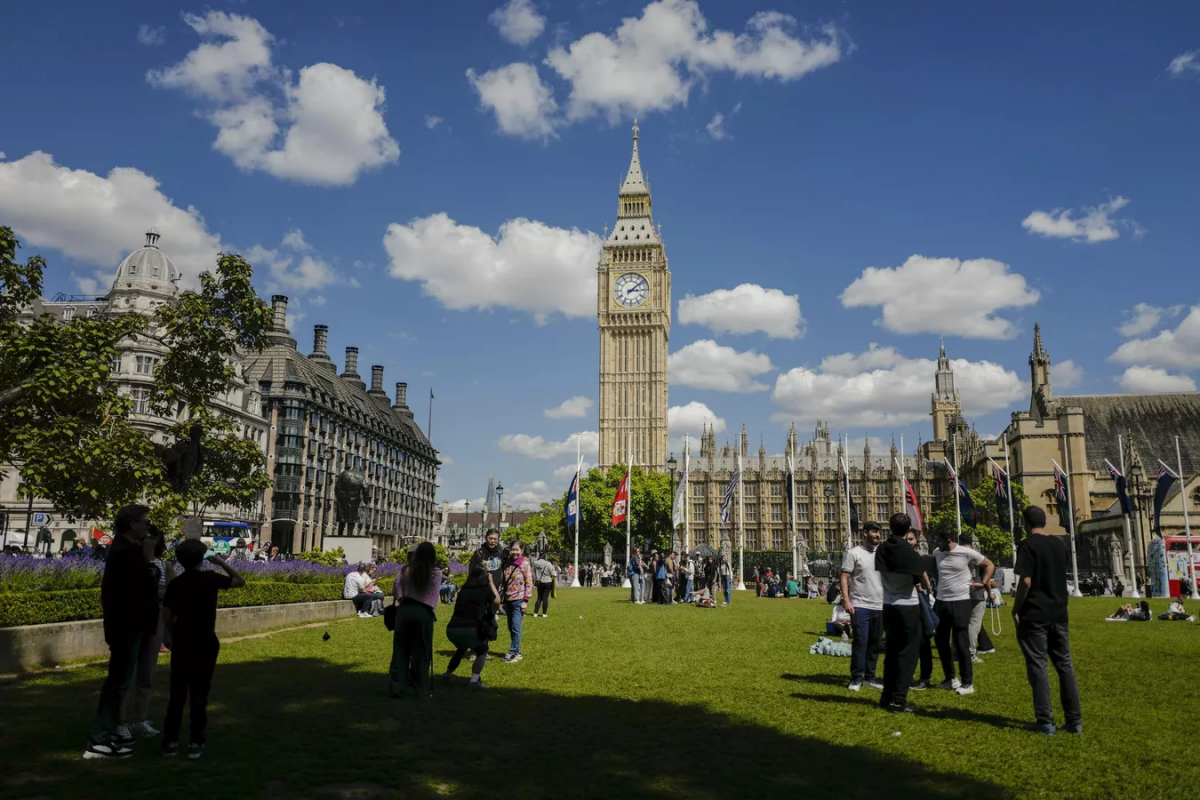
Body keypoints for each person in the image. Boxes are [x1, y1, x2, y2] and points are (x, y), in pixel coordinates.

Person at [84, 504, 159, 760]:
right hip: (126, 625)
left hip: (129, 625)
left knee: (120, 682)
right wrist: (149, 558)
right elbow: (144, 584)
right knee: (117, 683)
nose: (149, 527)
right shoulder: (126, 552)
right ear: (132, 525)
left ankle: (110, 733)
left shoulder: (126, 549)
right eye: (145, 522)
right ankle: (99, 740)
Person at [159, 539, 245, 759]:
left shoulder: (176, 584)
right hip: (205, 641)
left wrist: (172, 636)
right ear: (201, 558)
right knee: (200, 693)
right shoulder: (209, 578)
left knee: (177, 693)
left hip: (182, 642)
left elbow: (167, 615)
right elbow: (239, 580)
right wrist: (220, 562)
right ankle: (196, 742)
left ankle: (170, 741)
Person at [1012, 506, 1082, 735]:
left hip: (1035, 614)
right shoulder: (1058, 545)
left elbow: (1026, 582)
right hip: (1059, 612)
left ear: (1026, 523)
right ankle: (1074, 721)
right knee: (1065, 665)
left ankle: (1045, 721)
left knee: (1038, 666)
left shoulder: (1027, 545)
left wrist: (1016, 607)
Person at [875, 513, 930, 714]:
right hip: (908, 606)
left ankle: (886, 696)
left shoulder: (881, 549)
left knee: (891, 652)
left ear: (889, 527)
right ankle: (899, 700)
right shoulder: (909, 553)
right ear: (908, 530)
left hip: (888, 605)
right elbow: (924, 582)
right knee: (907, 655)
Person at [122, 525, 172, 739]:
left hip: (156, 620)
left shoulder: (165, 566)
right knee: (125, 673)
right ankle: (120, 721)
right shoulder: (132, 563)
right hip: (133, 619)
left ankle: (140, 719)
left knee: (147, 674)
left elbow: (171, 594)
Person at [933, 529, 993, 696]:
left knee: (960, 642)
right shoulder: (937, 552)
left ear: (949, 539)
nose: (938, 544)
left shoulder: (966, 553)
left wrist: (984, 582)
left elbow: (989, 565)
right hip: (941, 601)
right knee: (941, 640)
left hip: (960, 601)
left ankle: (967, 683)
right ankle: (950, 679)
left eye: (940, 540)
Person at [389, 542, 440, 699]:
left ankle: (397, 687)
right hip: (423, 612)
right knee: (421, 652)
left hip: (405, 610)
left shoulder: (406, 571)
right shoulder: (435, 573)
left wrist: (402, 598)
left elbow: (396, 587)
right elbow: (434, 595)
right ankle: (421, 689)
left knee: (400, 650)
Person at [840, 521, 885, 692]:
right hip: (860, 604)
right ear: (865, 533)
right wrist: (846, 600)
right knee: (861, 641)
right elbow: (844, 576)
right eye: (874, 532)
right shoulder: (854, 553)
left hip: (880, 605)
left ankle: (870, 677)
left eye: (879, 533)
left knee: (875, 643)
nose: (878, 535)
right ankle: (857, 678)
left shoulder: (882, 553)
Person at [443, 566, 501, 689]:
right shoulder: (484, 589)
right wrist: (491, 582)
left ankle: (447, 674)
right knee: (482, 651)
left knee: (461, 649)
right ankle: (474, 680)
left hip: (452, 629)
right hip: (471, 628)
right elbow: (497, 601)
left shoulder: (464, 589)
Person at [905, 529, 937, 692]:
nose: (909, 541)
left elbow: (925, 581)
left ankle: (924, 677)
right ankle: (909, 676)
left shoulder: (915, 557)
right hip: (905, 604)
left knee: (923, 642)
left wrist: (922, 588)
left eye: (911, 539)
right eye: (907, 539)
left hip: (917, 602)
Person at [959, 532, 993, 663]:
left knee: (960, 624)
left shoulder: (957, 555)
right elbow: (987, 574)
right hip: (977, 592)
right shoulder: (977, 556)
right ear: (972, 543)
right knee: (974, 624)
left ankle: (957, 650)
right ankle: (971, 653)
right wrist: (988, 591)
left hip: (961, 593)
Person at [501, 541, 533, 662]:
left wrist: (526, 600)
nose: (514, 552)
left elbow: (529, 582)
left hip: (519, 599)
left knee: (515, 626)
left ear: (521, 551)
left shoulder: (524, 563)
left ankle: (514, 651)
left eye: (516, 550)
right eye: (512, 549)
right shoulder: (507, 562)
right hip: (508, 598)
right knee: (511, 626)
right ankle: (516, 650)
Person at [531, 551, 556, 618]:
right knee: (545, 598)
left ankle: (535, 613)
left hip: (539, 582)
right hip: (548, 582)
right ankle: (544, 613)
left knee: (539, 597)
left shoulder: (535, 563)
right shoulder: (548, 564)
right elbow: (553, 573)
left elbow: (532, 572)